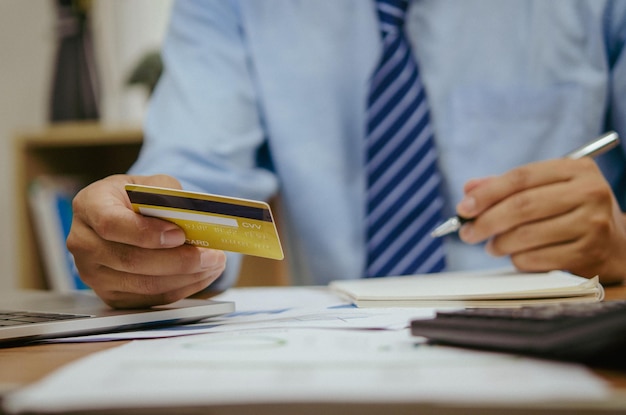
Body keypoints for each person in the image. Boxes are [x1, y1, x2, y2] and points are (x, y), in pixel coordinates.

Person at [68, 0, 626, 309]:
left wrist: (620, 244)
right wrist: (145, 231)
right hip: (342, 349)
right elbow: (196, 179)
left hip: (565, 337)